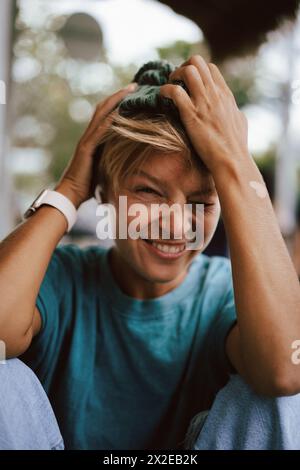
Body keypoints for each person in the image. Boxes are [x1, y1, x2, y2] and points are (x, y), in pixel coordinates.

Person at [0, 56, 299, 450]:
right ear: (103, 192)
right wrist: (71, 186)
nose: (177, 226)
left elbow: (284, 372)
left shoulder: (227, 296)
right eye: (149, 192)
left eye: (202, 202)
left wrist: (235, 163)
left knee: (279, 399)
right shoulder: (62, 279)